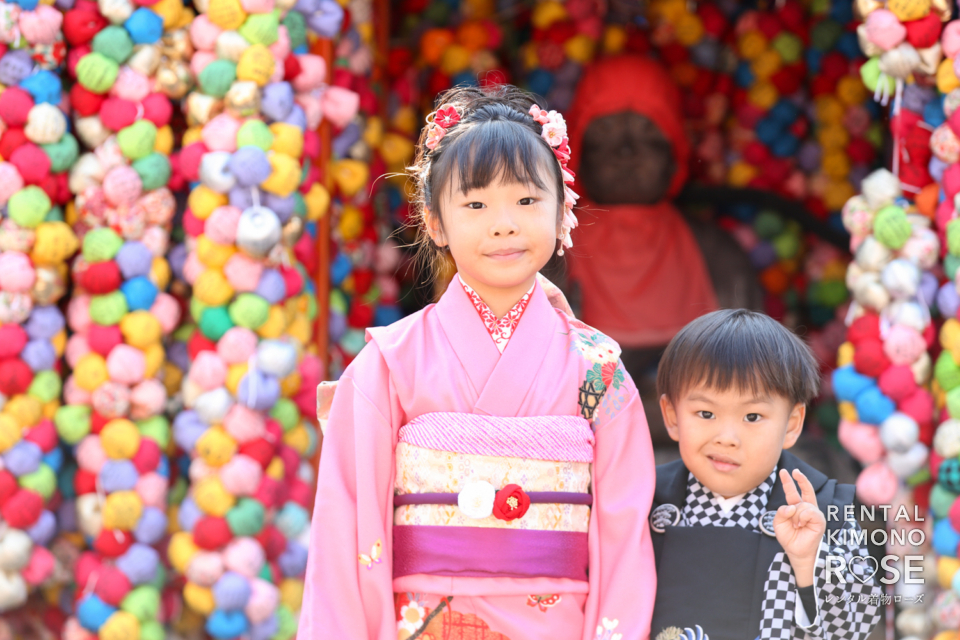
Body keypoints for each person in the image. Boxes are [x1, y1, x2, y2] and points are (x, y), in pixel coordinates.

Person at [299, 84, 657, 640]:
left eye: (526, 200)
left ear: (562, 208)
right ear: (435, 222)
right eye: (475, 204)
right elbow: (348, 541)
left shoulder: (599, 371)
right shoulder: (386, 368)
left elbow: (624, 541)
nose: (503, 223)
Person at [649, 309, 882, 640]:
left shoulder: (824, 509)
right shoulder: (644, 501)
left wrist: (809, 560)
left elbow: (858, 625)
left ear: (792, 424)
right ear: (671, 416)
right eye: (706, 413)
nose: (727, 436)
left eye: (753, 416)